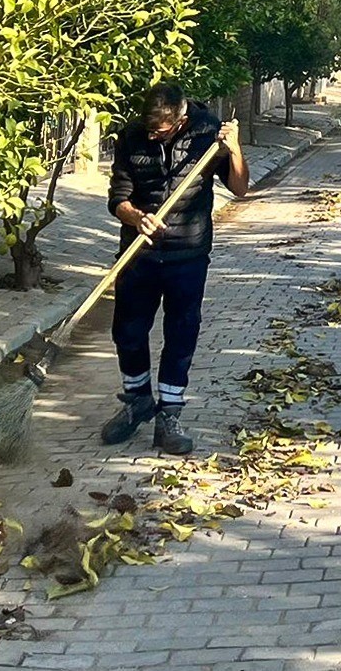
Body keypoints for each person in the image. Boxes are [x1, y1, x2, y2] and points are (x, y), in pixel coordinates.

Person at [99, 82, 249, 454]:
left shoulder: (206, 132)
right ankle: (137, 403)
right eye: (149, 127)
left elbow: (241, 188)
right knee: (127, 332)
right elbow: (118, 198)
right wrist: (136, 217)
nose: (152, 135)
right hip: (138, 253)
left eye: (160, 130)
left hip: (188, 253)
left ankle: (169, 414)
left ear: (180, 121)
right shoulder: (132, 138)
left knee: (181, 334)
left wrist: (234, 150)